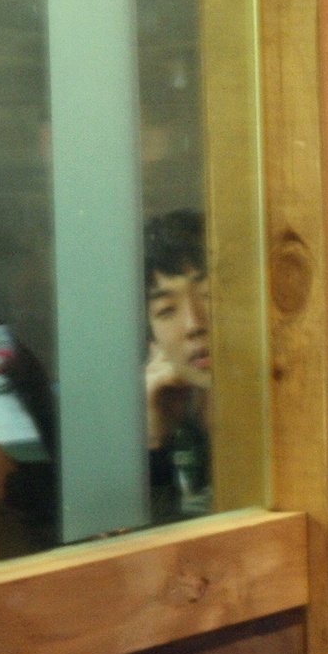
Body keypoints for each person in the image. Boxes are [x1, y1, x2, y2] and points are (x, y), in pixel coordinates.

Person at [143, 209, 212, 522]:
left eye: (209, 294)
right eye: (167, 309)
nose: (194, 324)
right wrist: (155, 440)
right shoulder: (181, 432)